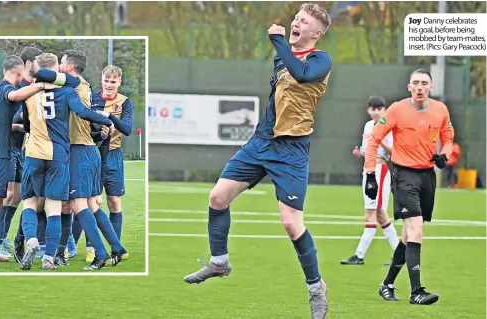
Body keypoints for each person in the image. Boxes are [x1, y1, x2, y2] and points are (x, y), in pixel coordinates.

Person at [183, 3, 332, 318]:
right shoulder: (282, 56)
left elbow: (303, 75)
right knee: (217, 197)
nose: (296, 23)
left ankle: (316, 288)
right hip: (261, 142)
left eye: (303, 21)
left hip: (292, 151)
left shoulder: (320, 60)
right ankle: (219, 262)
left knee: (292, 224)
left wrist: (278, 40)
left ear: (316, 33)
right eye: (296, 18)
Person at [365, 69, 454, 305]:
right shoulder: (396, 109)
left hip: (427, 177)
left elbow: (448, 137)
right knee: (416, 231)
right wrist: (370, 173)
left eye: (424, 83)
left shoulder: (440, 110)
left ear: (431, 88)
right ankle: (417, 292)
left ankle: (387, 284)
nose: (420, 87)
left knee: (407, 237)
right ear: (409, 87)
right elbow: (374, 139)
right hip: (404, 176)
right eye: (416, 83)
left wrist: (444, 155)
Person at [18, 53, 113, 270]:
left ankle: (31, 240)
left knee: (30, 203)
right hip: (59, 155)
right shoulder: (68, 92)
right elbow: (82, 112)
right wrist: (107, 119)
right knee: (54, 208)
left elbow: (26, 126)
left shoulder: (29, 94)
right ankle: (49, 258)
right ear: (56, 71)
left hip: (33, 153)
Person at [0, 55, 55, 267]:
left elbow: (2, 119)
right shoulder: (6, 88)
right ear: (18, 72)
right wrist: (41, 85)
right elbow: (15, 96)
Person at [55, 49, 127, 270]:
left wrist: (37, 68)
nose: (58, 65)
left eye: (61, 62)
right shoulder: (84, 85)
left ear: (69, 67)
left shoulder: (73, 84)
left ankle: (100, 254)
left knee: (77, 204)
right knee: (92, 205)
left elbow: (48, 75)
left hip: (80, 151)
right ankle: (117, 248)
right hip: (89, 152)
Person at [0, 46, 43, 261]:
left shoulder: (29, 87)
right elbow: (7, 122)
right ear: (29, 64)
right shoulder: (17, 87)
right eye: (38, 62)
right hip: (9, 147)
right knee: (8, 195)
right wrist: (24, 127)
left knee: (20, 195)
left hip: (23, 149)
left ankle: (6, 239)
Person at [341, 95, 399, 266]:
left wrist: (378, 138)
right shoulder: (367, 125)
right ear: (368, 110)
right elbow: (369, 150)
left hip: (380, 170)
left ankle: (359, 255)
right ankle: (398, 254)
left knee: (371, 214)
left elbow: (392, 152)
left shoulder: (387, 126)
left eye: (379, 108)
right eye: (373, 109)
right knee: (380, 215)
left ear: (384, 110)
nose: (376, 112)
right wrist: (360, 152)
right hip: (369, 170)